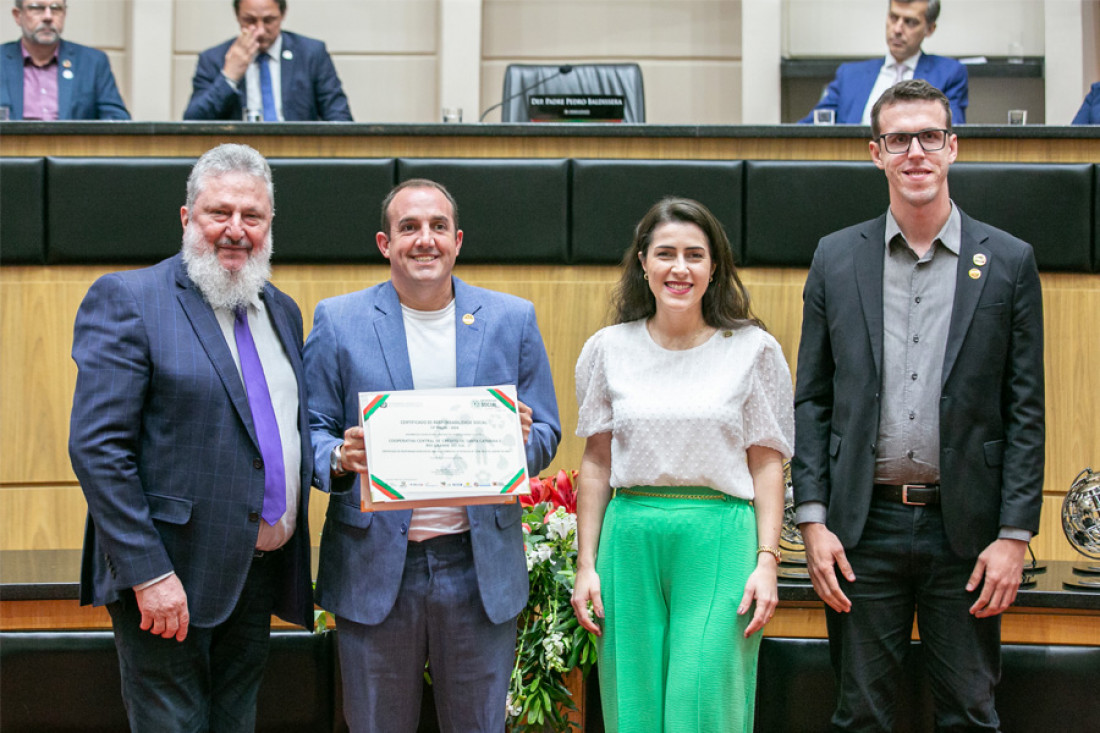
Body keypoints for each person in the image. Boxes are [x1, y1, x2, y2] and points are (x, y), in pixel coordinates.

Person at [792, 79, 1044, 732]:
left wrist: (1015, 535)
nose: (915, 152)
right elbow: (813, 400)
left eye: (929, 135)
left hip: (966, 531)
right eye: (898, 138)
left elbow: (1025, 410)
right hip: (860, 528)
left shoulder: (1010, 262)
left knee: (969, 711)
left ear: (952, 146)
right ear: (876, 152)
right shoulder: (835, 258)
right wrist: (812, 519)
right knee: (860, 715)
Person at [69, 143, 315, 731]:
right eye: (218, 212)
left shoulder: (281, 310)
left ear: (269, 225)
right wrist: (148, 574)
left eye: (251, 216)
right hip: (168, 579)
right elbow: (99, 450)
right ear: (187, 218)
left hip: (256, 577)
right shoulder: (130, 299)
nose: (236, 230)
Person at [303, 179, 560, 731]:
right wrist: (340, 457)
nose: (425, 240)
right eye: (409, 228)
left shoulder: (511, 319)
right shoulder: (339, 320)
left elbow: (547, 434)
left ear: (458, 240)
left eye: (438, 227)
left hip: (477, 567)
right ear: (384, 243)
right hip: (374, 571)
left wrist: (520, 442)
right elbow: (309, 432)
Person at [571, 197, 793, 731]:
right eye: (665, 253)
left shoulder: (754, 350)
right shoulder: (606, 349)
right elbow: (596, 464)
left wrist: (767, 561)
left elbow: (767, 465)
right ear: (643, 263)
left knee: (704, 702)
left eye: (695, 254)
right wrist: (585, 565)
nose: (679, 268)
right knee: (634, 706)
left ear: (714, 267)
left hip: (718, 538)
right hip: (628, 538)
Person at [800, 0, 967, 125]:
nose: (897, 29)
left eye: (910, 22)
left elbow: (952, 132)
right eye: (894, 18)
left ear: (930, 29)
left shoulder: (949, 74)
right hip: (854, 166)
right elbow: (810, 129)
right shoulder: (849, 75)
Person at [184, 0, 351, 121]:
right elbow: (192, 121)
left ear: (282, 14)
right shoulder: (213, 58)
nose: (260, 30)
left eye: (269, 20)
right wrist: (229, 77)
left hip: (297, 154)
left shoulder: (311, 54)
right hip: (238, 163)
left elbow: (340, 118)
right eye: (249, 20)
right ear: (237, 16)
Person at [1, 0, 129, 119]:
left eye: (56, 9)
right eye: (37, 8)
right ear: (18, 15)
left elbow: (117, 120)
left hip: (77, 144)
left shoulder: (92, 62)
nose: (48, 17)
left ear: (64, 14)